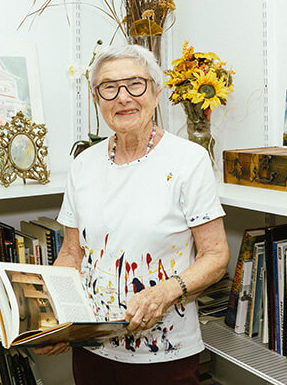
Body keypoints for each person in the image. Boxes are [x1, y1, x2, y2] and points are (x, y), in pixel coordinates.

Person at [35, 44, 230, 384]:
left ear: (156, 92)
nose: (123, 97)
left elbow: (216, 255)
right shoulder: (83, 165)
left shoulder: (188, 161)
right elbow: (71, 253)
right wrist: (50, 318)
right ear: (97, 99)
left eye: (135, 84)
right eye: (109, 87)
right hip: (91, 347)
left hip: (163, 351)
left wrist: (163, 293)